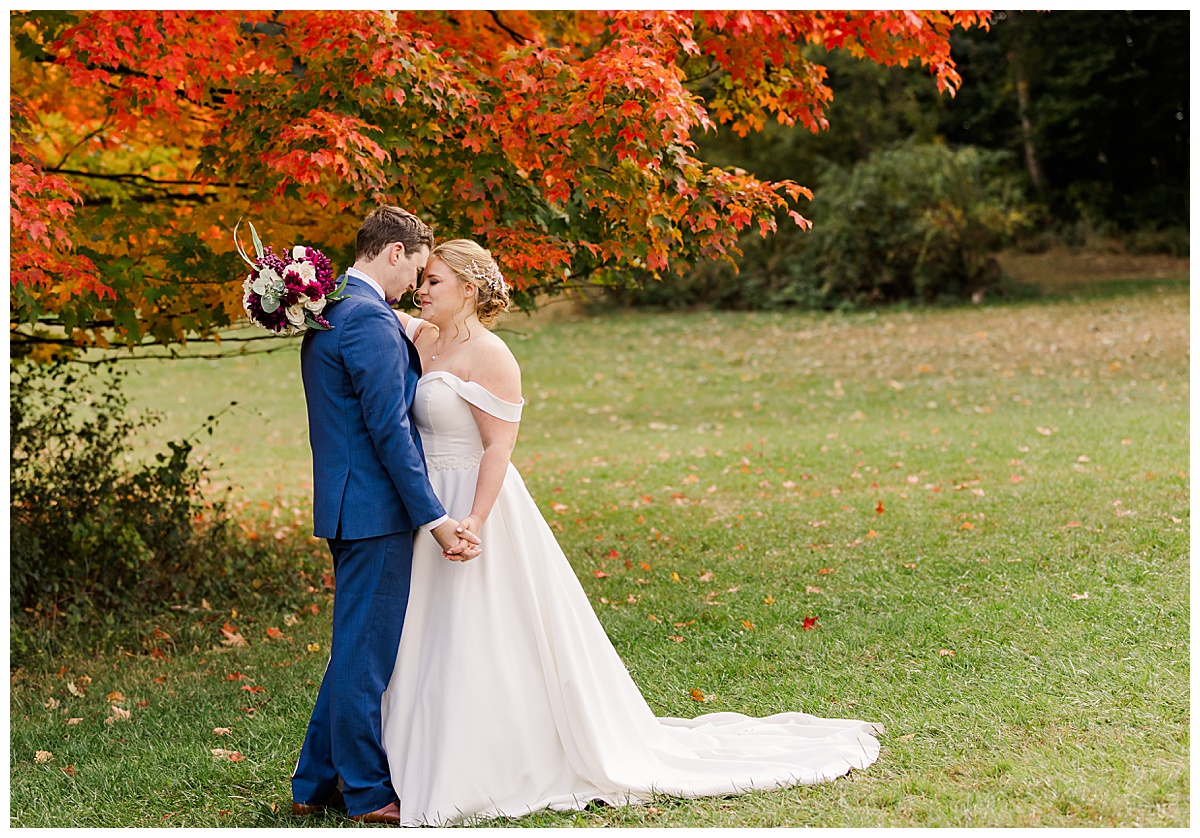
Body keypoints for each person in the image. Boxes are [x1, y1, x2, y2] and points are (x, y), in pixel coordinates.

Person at [380, 239, 883, 826]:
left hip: (474, 502)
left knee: (479, 629)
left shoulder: (492, 355)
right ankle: (408, 752)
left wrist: (476, 519)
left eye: (434, 281)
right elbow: (368, 302)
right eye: (423, 281)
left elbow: (499, 447)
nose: (422, 289)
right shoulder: (421, 339)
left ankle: (488, 758)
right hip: (426, 506)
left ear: (468, 289)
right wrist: (296, 290)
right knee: (425, 631)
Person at [290, 209, 481, 825]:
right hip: (374, 509)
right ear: (394, 252)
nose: (417, 287)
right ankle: (369, 794)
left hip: (348, 502)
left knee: (354, 644)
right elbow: (391, 431)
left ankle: (315, 781)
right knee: (365, 655)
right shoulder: (367, 317)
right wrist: (436, 516)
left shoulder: (333, 307)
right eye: (418, 269)